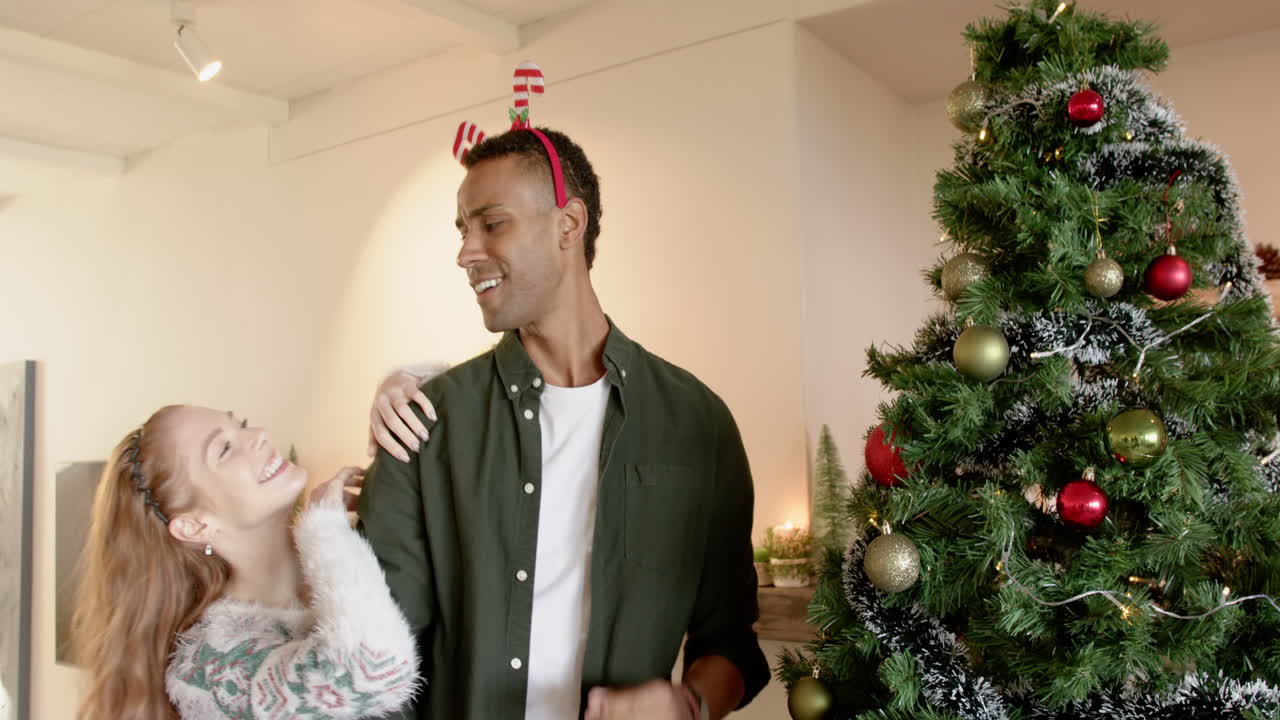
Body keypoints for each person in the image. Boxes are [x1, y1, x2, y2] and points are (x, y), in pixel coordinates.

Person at [358, 124, 769, 720]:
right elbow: (379, 660)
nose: (466, 252)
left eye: (492, 223)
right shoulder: (425, 423)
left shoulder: (697, 422)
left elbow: (730, 642)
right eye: (463, 230)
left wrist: (687, 704)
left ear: (568, 225)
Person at [72, 405, 420, 720]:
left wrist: (402, 388)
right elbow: (374, 666)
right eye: (224, 449)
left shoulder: (355, 553)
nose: (260, 435)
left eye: (241, 425)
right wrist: (325, 531)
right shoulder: (208, 670)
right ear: (194, 526)